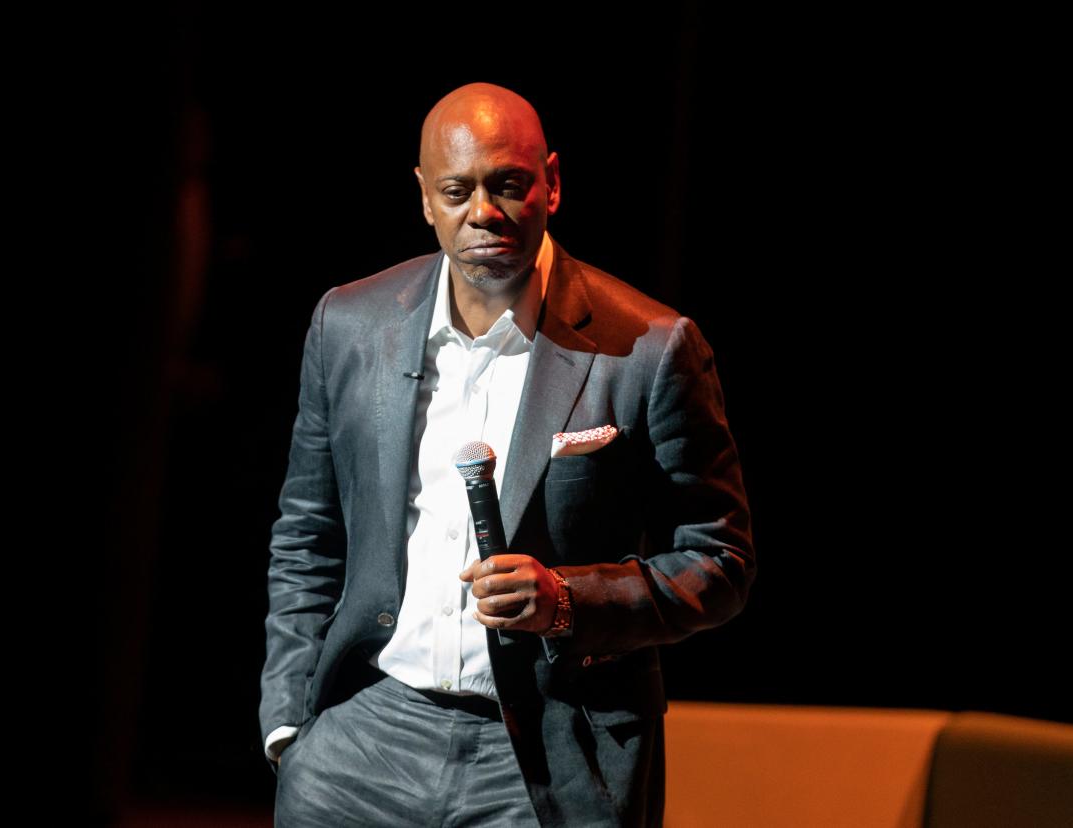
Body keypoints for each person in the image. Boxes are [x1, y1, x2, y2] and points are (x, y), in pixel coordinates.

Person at [258, 82, 755, 827]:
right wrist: (292, 724)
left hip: (548, 757)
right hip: (363, 739)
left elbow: (721, 561)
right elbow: (306, 533)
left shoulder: (649, 349)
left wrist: (565, 602)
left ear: (551, 183)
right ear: (425, 197)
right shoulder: (349, 324)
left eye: (509, 185)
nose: (484, 213)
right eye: (457, 191)